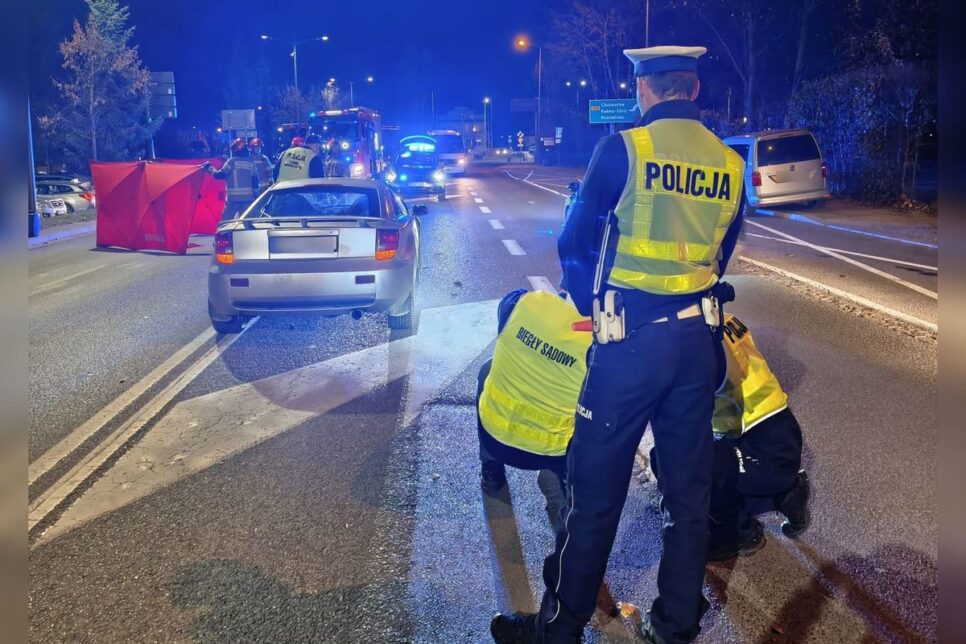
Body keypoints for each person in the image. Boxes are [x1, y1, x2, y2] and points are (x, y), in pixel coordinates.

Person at [490, 45, 746, 644]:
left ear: (644, 90)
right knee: (688, 495)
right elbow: (720, 256)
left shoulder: (626, 148)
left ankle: (561, 627)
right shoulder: (730, 165)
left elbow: (574, 244)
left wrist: (593, 310)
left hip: (629, 347)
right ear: (695, 90)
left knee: (595, 490)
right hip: (696, 345)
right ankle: (676, 622)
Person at [477, 289, 591, 534]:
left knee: (487, 371)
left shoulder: (522, 302)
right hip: (550, 454)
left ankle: (491, 471)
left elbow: (505, 320)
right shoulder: (599, 343)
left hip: (495, 438)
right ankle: (565, 510)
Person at [703, 313, 810, 560]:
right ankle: (786, 493)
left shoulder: (689, 336)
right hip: (779, 436)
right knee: (709, 461)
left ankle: (739, 533)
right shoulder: (722, 317)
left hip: (757, 442)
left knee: (683, 463)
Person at [206, 138, 259, 221]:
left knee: (226, 223)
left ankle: (225, 234)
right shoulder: (250, 163)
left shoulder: (232, 162)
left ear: (236, 150)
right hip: (248, 199)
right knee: (247, 223)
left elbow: (219, 175)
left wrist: (209, 168)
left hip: (233, 199)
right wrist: (256, 195)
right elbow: (255, 182)